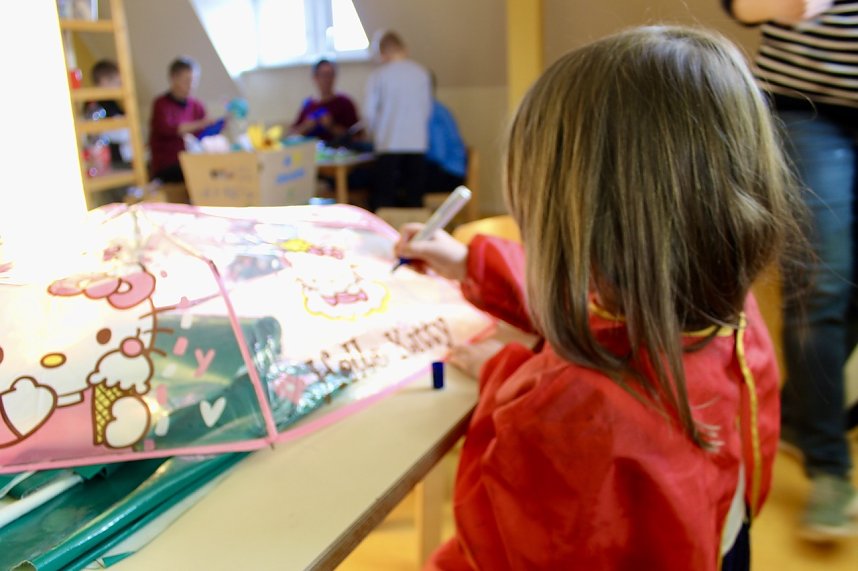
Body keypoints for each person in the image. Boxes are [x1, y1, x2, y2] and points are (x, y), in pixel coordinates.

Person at [396, 26, 806, 570]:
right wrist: (470, 261)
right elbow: (597, 311)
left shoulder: (566, 410)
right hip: (722, 543)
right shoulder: (727, 312)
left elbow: (492, 551)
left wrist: (504, 374)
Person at [724, 0, 858, 541]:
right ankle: (830, 467)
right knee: (821, 283)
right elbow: (744, 6)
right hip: (806, 110)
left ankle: (804, 417)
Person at [364, 30, 432, 210]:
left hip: (388, 143)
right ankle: (417, 232)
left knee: (386, 197)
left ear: (382, 52)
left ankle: (387, 234)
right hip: (417, 143)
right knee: (414, 196)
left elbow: (369, 112)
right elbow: (427, 109)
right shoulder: (421, 73)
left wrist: (371, 135)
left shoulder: (379, 75)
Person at [148, 57, 219, 183]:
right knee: (199, 171)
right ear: (174, 78)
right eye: (187, 81)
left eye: (194, 81)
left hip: (195, 158)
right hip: (168, 164)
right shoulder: (161, 104)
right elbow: (167, 129)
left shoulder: (197, 106)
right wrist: (199, 124)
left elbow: (202, 136)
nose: (191, 85)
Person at [289, 59, 361, 146]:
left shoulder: (345, 103)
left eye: (330, 75)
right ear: (315, 77)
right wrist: (306, 126)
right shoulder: (308, 105)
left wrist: (331, 126)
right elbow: (291, 136)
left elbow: (357, 137)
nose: (327, 79)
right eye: (323, 75)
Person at [84, 59, 131, 167]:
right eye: (117, 83)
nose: (120, 87)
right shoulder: (94, 105)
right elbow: (95, 134)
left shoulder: (111, 102)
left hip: (122, 157)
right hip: (109, 161)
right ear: (104, 81)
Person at [426, 72, 467, 194]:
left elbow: (439, 154)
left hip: (449, 173)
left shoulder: (433, 112)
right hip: (446, 170)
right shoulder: (436, 108)